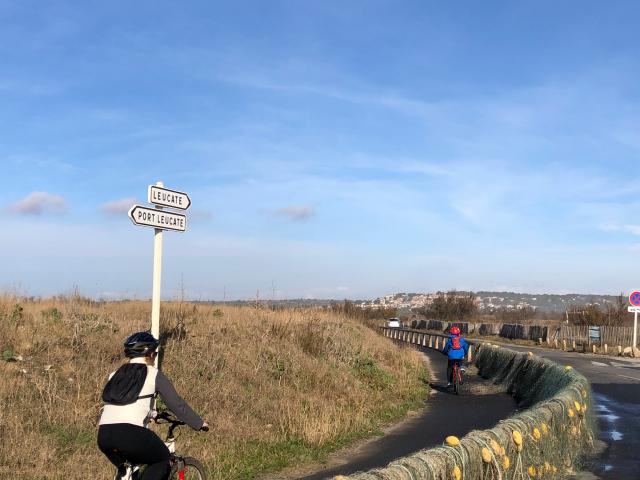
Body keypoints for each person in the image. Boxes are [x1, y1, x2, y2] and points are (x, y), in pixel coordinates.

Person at [97, 332, 209, 480]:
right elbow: (177, 404)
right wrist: (199, 423)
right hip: (131, 435)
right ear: (148, 353)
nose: (155, 357)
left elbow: (127, 403)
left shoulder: (115, 375)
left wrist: (153, 414)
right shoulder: (154, 374)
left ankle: (124, 473)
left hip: (105, 435)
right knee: (162, 459)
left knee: (128, 468)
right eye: (155, 353)